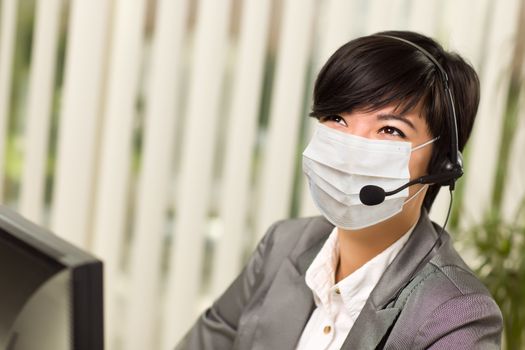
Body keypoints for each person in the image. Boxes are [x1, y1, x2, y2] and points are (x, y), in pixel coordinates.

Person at [175, 31, 503, 349]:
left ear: (441, 164)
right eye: (337, 118)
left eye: (390, 129)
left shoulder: (458, 316)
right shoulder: (282, 245)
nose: (350, 147)